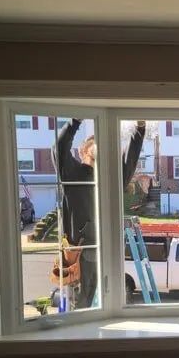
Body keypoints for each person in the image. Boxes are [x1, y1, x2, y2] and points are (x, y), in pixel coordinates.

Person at [53, 118, 146, 308]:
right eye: (94, 144)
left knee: (108, 303)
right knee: (79, 307)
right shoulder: (73, 174)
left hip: (106, 252)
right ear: (83, 151)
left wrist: (140, 128)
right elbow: (59, 148)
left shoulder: (110, 179)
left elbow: (129, 160)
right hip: (78, 255)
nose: (100, 147)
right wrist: (75, 122)